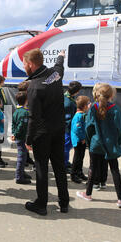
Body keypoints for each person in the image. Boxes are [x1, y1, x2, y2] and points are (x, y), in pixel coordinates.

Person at [24, 48, 70, 216]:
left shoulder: (35, 87)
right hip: (59, 129)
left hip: (42, 133)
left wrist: (28, 139)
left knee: (42, 168)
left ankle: (41, 204)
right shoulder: (54, 76)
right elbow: (59, 66)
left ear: (30, 64)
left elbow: (33, 117)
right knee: (59, 166)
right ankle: (64, 202)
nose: (24, 67)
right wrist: (61, 56)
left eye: (24, 64)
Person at [77, 83, 121, 208]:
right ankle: (120, 199)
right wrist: (117, 143)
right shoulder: (115, 109)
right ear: (111, 95)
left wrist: (90, 142)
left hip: (95, 144)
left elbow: (88, 127)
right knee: (115, 170)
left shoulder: (93, 108)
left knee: (92, 168)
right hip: (110, 145)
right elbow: (119, 129)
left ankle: (88, 194)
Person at [91, 83, 108, 191]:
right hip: (106, 141)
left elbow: (89, 126)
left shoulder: (93, 107)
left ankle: (95, 182)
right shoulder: (111, 107)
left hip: (95, 141)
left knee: (94, 164)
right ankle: (103, 182)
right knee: (104, 162)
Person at [12, 91, 31, 185]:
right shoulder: (24, 113)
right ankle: (19, 176)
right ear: (26, 100)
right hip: (22, 138)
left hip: (20, 137)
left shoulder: (17, 111)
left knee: (23, 156)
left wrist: (13, 133)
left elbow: (13, 123)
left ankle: (22, 172)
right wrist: (15, 134)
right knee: (21, 157)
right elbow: (20, 126)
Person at [70, 96, 91, 184]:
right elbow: (77, 129)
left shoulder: (83, 115)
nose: (90, 105)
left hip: (82, 140)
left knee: (81, 157)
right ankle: (73, 174)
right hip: (78, 141)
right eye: (88, 104)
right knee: (77, 158)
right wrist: (83, 138)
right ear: (84, 106)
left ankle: (79, 172)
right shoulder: (78, 116)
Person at [64, 81, 83, 172]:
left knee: (67, 146)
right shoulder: (69, 102)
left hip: (67, 127)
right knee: (66, 147)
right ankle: (64, 164)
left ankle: (65, 162)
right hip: (67, 128)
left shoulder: (68, 97)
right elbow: (68, 118)